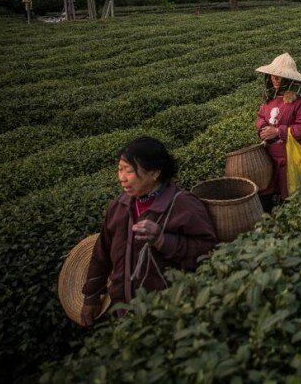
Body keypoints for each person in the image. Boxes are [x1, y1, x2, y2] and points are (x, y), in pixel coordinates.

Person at [81, 136, 216, 326]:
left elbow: (208, 249)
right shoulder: (118, 207)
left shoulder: (183, 204)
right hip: (124, 309)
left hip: (170, 310)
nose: (121, 178)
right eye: (120, 169)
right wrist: (92, 296)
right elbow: (101, 253)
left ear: (154, 173)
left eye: (129, 171)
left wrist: (162, 240)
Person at [254, 53, 301, 208]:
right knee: (265, 198)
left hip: (289, 157)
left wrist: (277, 132)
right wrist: (262, 127)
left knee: (289, 199)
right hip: (268, 157)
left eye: (280, 76)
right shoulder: (270, 96)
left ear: (290, 79)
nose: (275, 79)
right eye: (273, 75)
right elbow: (260, 116)